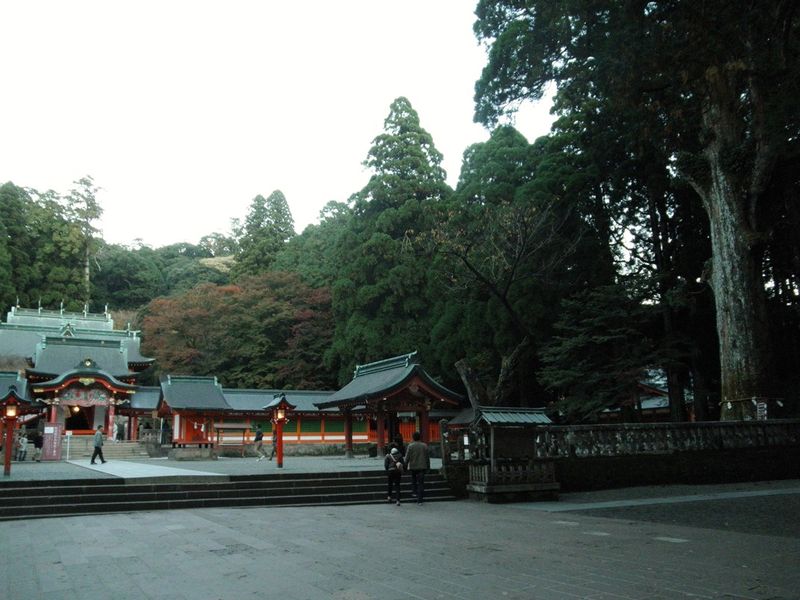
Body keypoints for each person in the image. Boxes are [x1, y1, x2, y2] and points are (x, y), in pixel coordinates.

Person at [404, 431, 430, 505]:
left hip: (413, 467)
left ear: (413, 438)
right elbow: (427, 458)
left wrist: (405, 466)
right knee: (421, 483)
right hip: (422, 467)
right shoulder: (424, 445)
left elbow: (407, 457)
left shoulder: (410, 446)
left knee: (414, 480)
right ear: (420, 437)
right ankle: (420, 500)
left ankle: (414, 492)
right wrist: (428, 467)